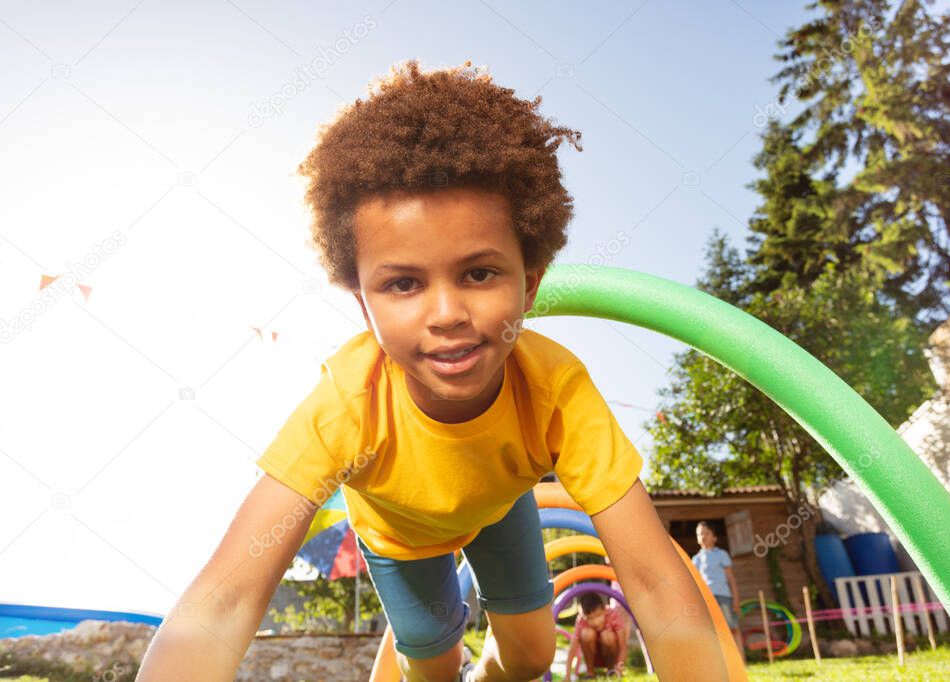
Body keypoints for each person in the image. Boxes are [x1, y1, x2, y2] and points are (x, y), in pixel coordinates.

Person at [137, 58, 730, 682]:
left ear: (530, 285)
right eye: (402, 283)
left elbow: (658, 582)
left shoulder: (555, 390)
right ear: (364, 306)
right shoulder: (346, 404)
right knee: (433, 671)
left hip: (498, 509)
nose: (447, 314)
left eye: (479, 273)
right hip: (398, 539)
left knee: (529, 657)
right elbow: (226, 598)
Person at [693, 521, 745, 663]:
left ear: (714, 537)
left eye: (706, 533)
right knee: (713, 631)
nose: (703, 536)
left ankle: (740, 660)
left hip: (724, 597)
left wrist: (735, 599)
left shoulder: (721, 554)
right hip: (707, 599)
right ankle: (721, 662)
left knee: (732, 628)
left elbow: (731, 578)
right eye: (700, 534)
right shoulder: (696, 559)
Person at [565, 593, 629, 678]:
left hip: (611, 656)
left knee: (607, 635)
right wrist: (567, 675)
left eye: (598, 616)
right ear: (584, 616)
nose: (595, 622)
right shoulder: (581, 620)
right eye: (589, 618)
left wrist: (619, 669)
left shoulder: (613, 614)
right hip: (593, 657)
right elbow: (572, 650)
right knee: (586, 634)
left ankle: (611, 671)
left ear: (604, 610)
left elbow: (623, 647)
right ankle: (590, 672)